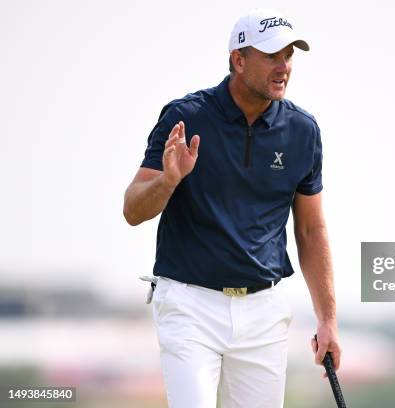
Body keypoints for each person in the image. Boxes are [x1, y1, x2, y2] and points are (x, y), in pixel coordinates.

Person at [122, 8, 341, 408]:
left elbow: (311, 231)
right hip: (190, 305)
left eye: (289, 56)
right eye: (272, 56)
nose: (284, 67)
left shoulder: (302, 131)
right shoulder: (185, 116)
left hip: (264, 312)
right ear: (238, 60)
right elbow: (133, 209)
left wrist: (327, 318)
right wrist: (169, 180)